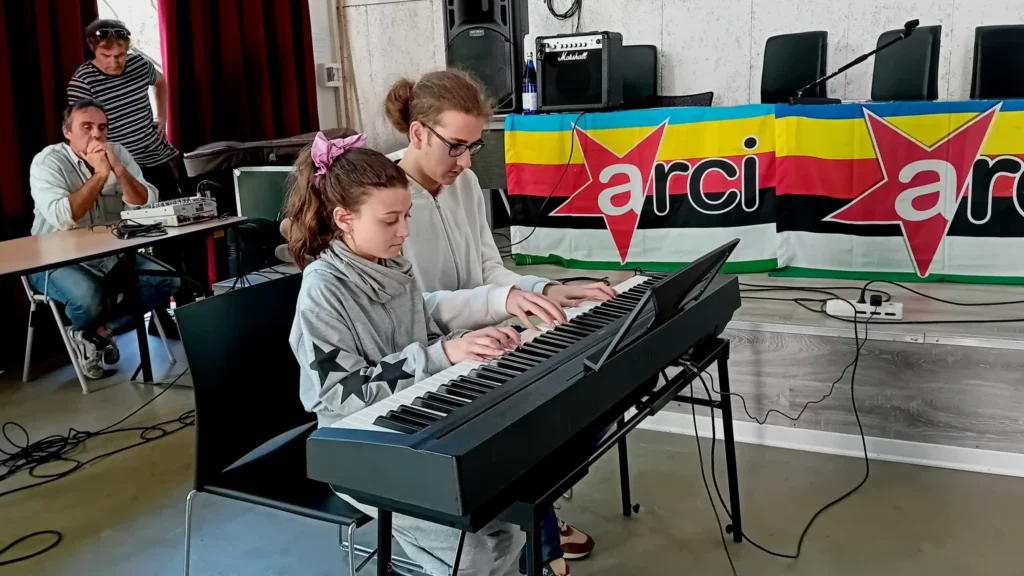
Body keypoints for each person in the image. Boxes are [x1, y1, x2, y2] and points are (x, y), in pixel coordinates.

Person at [383, 69, 617, 576]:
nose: (467, 161)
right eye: (457, 146)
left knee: (594, 399)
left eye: (475, 147)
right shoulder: (381, 198)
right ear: (418, 133)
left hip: (483, 341)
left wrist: (546, 290)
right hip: (429, 362)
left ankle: (537, 510)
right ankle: (539, 529)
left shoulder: (463, 182)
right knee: (532, 422)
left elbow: (489, 267)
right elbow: (414, 308)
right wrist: (505, 298)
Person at [287, 132, 526, 576]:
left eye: (407, 216)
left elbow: (419, 340)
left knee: (511, 527)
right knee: (468, 553)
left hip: (412, 424)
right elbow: (341, 393)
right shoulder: (323, 289)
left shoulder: (392, 265)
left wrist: (471, 342)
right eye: (390, 220)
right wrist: (442, 355)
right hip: (357, 448)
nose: (405, 231)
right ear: (344, 218)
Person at [27, 100, 179, 379]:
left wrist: (118, 171)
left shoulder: (117, 152)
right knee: (88, 297)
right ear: (67, 132)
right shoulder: (47, 161)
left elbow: (146, 204)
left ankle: (97, 335)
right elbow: (64, 217)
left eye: (102, 127)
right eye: (86, 127)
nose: (96, 135)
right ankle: (86, 335)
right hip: (52, 258)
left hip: (107, 253)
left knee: (167, 279)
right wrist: (100, 174)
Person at [68, 19, 191, 328]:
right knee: (141, 238)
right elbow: (82, 127)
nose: (115, 62)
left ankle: (182, 311)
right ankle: (157, 314)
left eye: (121, 54)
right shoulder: (83, 80)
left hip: (156, 158)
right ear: (93, 49)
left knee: (174, 236)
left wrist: (161, 115)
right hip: (121, 169)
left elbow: (160, 81)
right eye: (107, 55)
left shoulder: (139, 65)